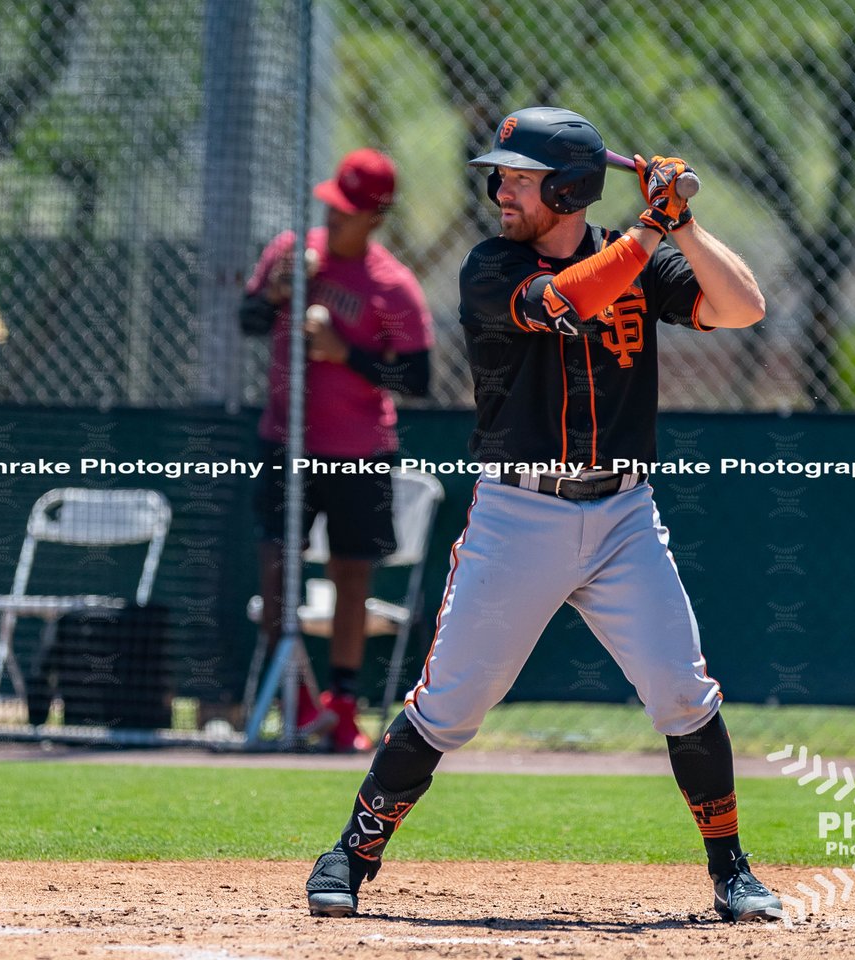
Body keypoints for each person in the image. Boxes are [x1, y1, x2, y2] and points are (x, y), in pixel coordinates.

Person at [304, 107, 783, 921]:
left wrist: (685, 225)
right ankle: (349, 855)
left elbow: (743, 308)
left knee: (683, 691)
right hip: (519, 517)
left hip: (625, 514)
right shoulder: (491, 266)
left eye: (522, 179)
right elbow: (565, 301)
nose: (501, 191)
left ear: (569, 187)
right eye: (503, 177)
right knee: (449, 703)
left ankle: (731, 869)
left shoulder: (637, 258)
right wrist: (648, 229)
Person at [239, 148, 434, 753]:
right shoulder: (293, 255)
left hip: (358, 451)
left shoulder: (391, 286)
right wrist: (274, 293)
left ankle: (343, 708)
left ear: (375, 217)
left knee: (352, 573)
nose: (333, 221)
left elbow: (419, 380)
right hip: (285, 441)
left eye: (348, 213)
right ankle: (296, 698)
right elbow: (246, 320)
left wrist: (344, 354)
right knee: (278, 564)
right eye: (331, 207)